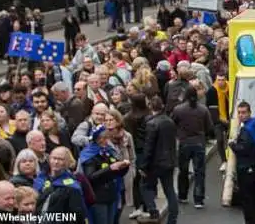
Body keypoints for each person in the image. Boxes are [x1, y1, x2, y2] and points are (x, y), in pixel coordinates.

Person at [78, 125, 130, 224]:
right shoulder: (89, 155)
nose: (108, 140)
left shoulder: (108, 151)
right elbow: (90, 177)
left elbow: (116, 173)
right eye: (106, 138)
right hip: (98, 197)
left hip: (111, 194)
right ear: (100, 139)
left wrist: (124, 166)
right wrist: (109, 168)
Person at [139, 96, 178, 224]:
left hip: (155, 163)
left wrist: (143, 166)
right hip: (169, 161)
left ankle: (153, 210)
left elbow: (149, 147)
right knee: (170, 190)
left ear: (151, 107)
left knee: (145, 186)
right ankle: (172, 219)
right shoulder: (170, 121)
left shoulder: (151, 124)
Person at [171, 85, 212, 208]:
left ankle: (182, 195)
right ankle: (198, 199)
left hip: (184, 142)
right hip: (199, 142)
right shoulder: (203, 110)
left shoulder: (178, 109)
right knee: (199, 171)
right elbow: (209, 127)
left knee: (183, 170)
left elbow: (172, 123)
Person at [228, 101, 255, 224]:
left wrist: (232, 145)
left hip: (247, 169)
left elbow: (244, 148)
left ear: (249, 113)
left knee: (248, 199)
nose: (241, 115)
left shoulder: (247, 129)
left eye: (243, 112)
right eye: (239, 113)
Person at [35, 146, 88, 224]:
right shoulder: (40, 178)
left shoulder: (72, 186)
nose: (56, 162)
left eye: (60, 159)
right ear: (49, 159)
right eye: (54, 158)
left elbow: (77, 216)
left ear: (67, 162)